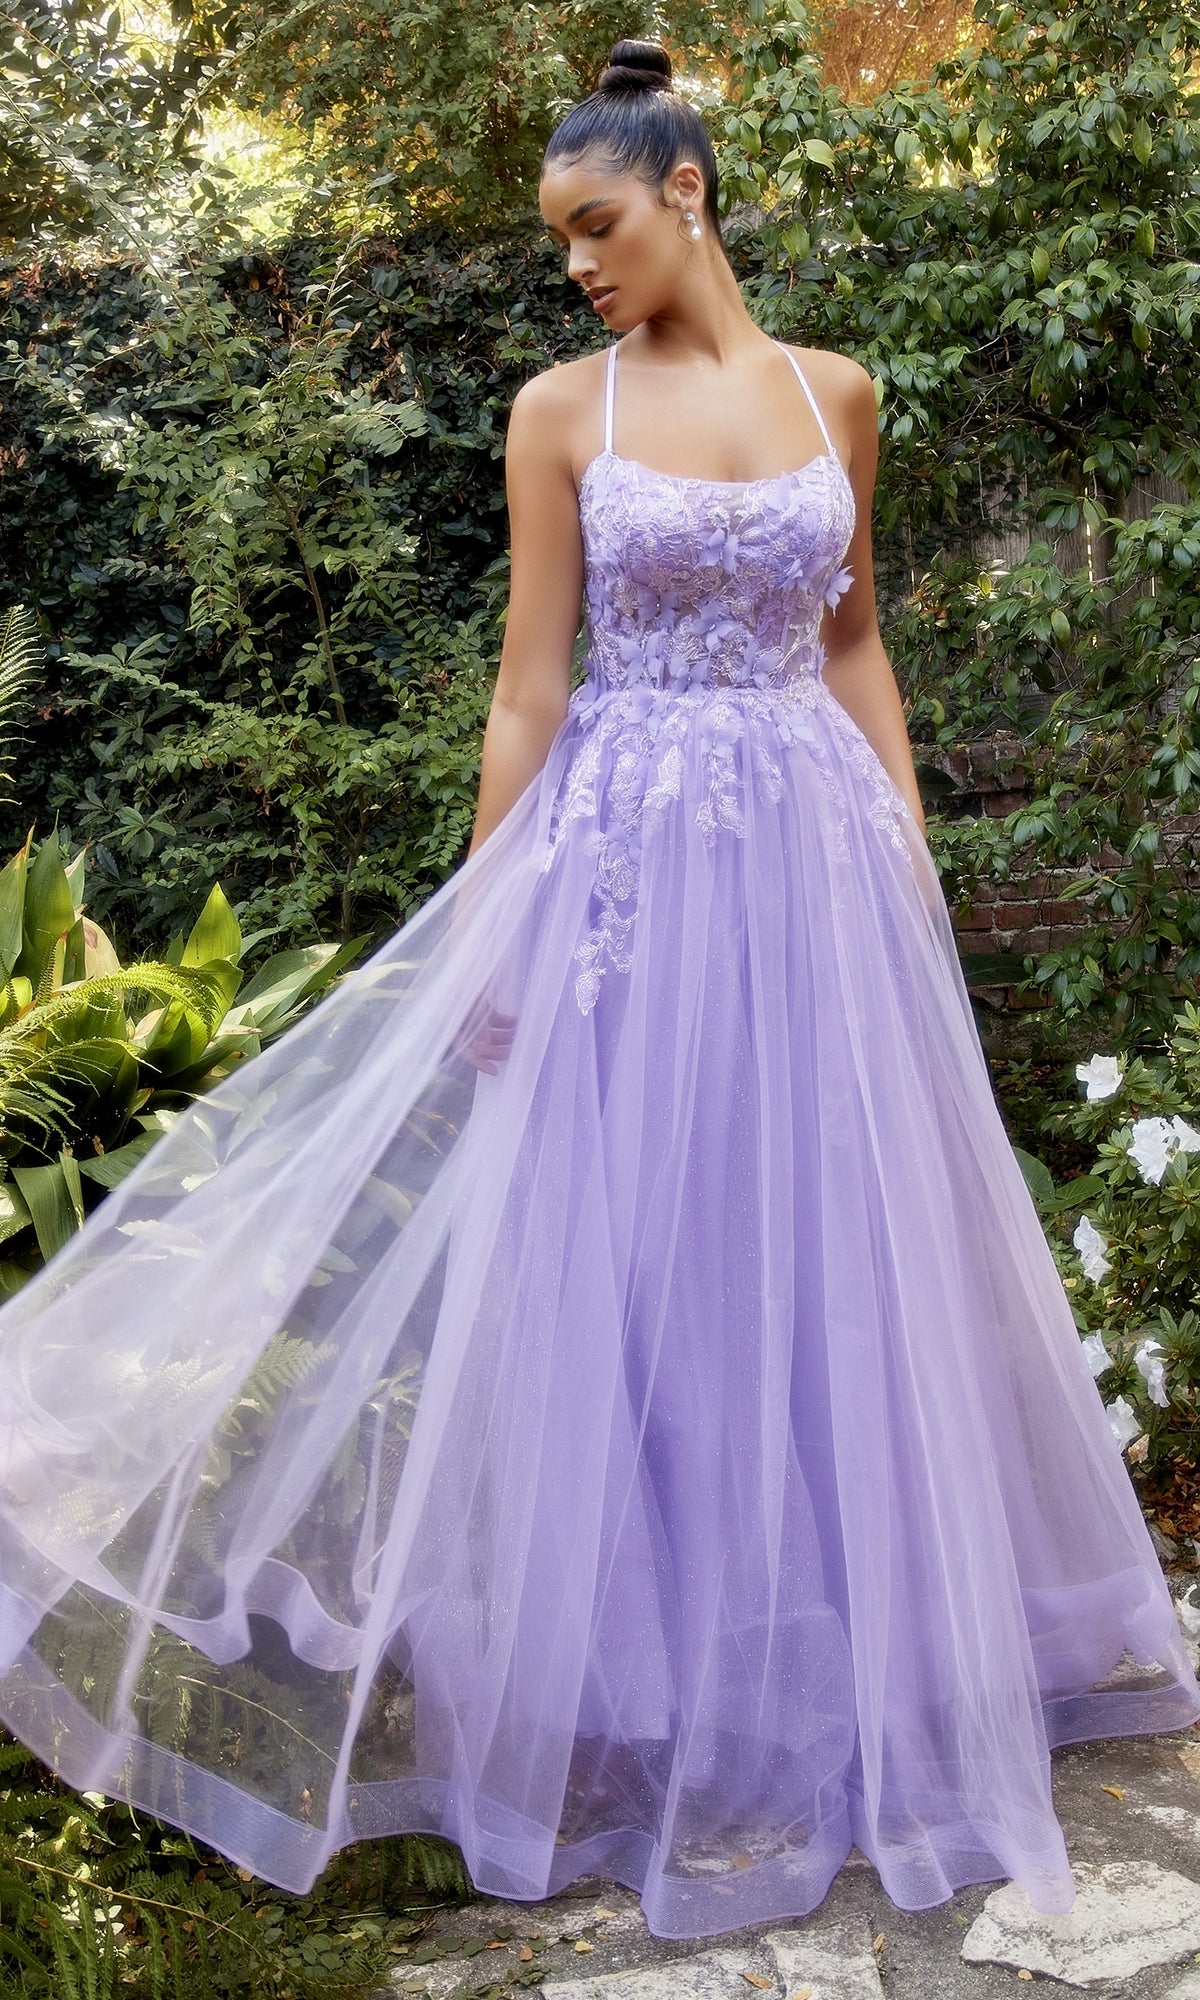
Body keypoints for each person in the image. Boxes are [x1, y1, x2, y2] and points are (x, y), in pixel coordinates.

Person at [0, 36, 1196, 1948]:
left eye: (598, 223)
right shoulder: (565, 413)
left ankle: (838, 1687)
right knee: (630, 1261)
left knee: (824, 1255)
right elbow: (528, 687)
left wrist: (905, 839)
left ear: (689, 191)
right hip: (629, 871)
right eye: (561, 236)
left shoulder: (838, 399)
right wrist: (494, 922)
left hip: (814, 877)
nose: (577, 262)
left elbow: (858, 638)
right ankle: (649, 1711)